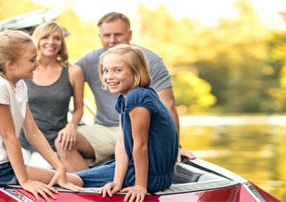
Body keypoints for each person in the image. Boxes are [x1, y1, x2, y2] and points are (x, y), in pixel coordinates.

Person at [55, 12, 195, 172]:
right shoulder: (88, 61)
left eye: (118, 34)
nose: (112, 40)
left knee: (137, 151)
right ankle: (89, 191)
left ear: (130, 34)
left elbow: (168, 105)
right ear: (99, 36)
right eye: (107, 35)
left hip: (144, 130)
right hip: (104, 128)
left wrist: (174, 146)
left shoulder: (151, 60)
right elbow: (59, 82)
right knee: (63, 141)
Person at [0, 30, 83, 201]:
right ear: (10, 64)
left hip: (5, 165)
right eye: (32, 60)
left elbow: (32, 130)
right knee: (75, 180)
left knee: (70, 177)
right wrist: (25, 181)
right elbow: (9, 136)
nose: (37, 64)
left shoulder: (19, 85)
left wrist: (59, 166)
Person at [76, 44, 178, 202]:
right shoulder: (124, 99)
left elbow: (141, 144)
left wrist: (140, 186)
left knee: (69, 179)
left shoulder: (138, 97)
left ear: (135, 71)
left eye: (117, 70)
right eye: (105, 70)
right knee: (75, 177)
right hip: (138, 169)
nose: (109, 76)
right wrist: (117, 181)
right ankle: (23, 176)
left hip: (149, 176)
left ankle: (23, 178)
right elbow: (122, 143)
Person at [18, 21, 85, 169]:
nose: (51, 42)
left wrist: (71, 126)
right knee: (12, 180)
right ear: (37, 40)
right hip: (21, 140)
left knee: (38, 178)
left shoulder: (74, 72)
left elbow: (79, 108)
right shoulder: (24, 69)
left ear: (62, 43)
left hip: (50, 144)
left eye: (57, 38)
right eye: (45, 37)